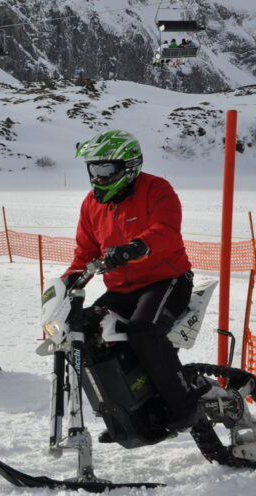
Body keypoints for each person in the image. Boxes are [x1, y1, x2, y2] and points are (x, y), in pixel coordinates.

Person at [63, 130, 203, 431]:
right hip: (121, 288)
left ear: (130, 166)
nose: (99, 178)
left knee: (144, 330)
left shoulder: (157, 189)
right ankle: (127, 414)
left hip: (166, 280)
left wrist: (136, 247)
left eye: (107, 170)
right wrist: (66, 285)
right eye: (94, 170)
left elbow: (166, 230)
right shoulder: (91, 204)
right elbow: (85, 253)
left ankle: (185, 407)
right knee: (84, 333)